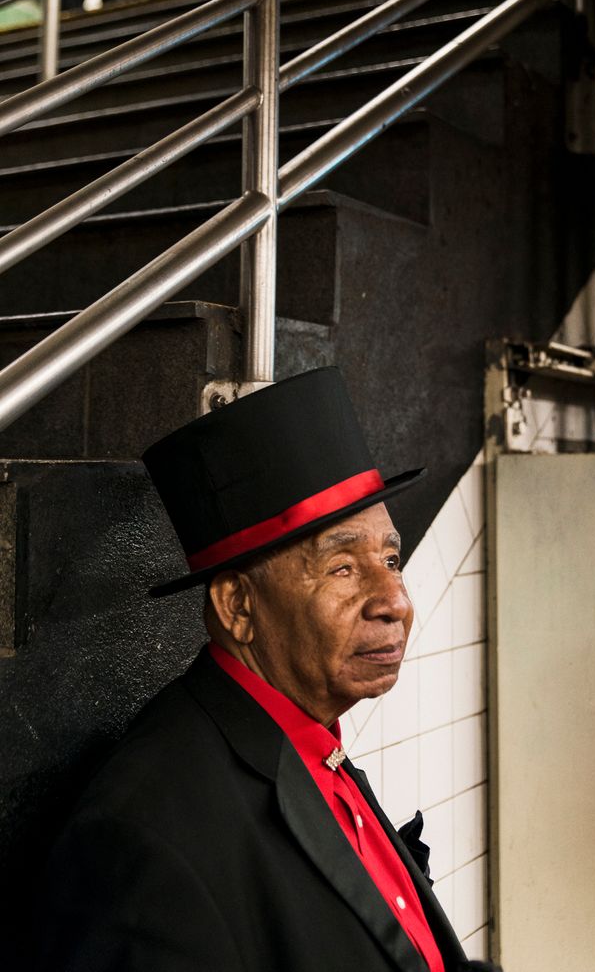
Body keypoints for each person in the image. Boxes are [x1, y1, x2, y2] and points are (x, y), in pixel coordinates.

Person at [35, 367, 497, 972]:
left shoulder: (309, 743)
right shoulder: (147, 837)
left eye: (391, 557)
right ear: (238, 607)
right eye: (342, 568)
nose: (396, 600)